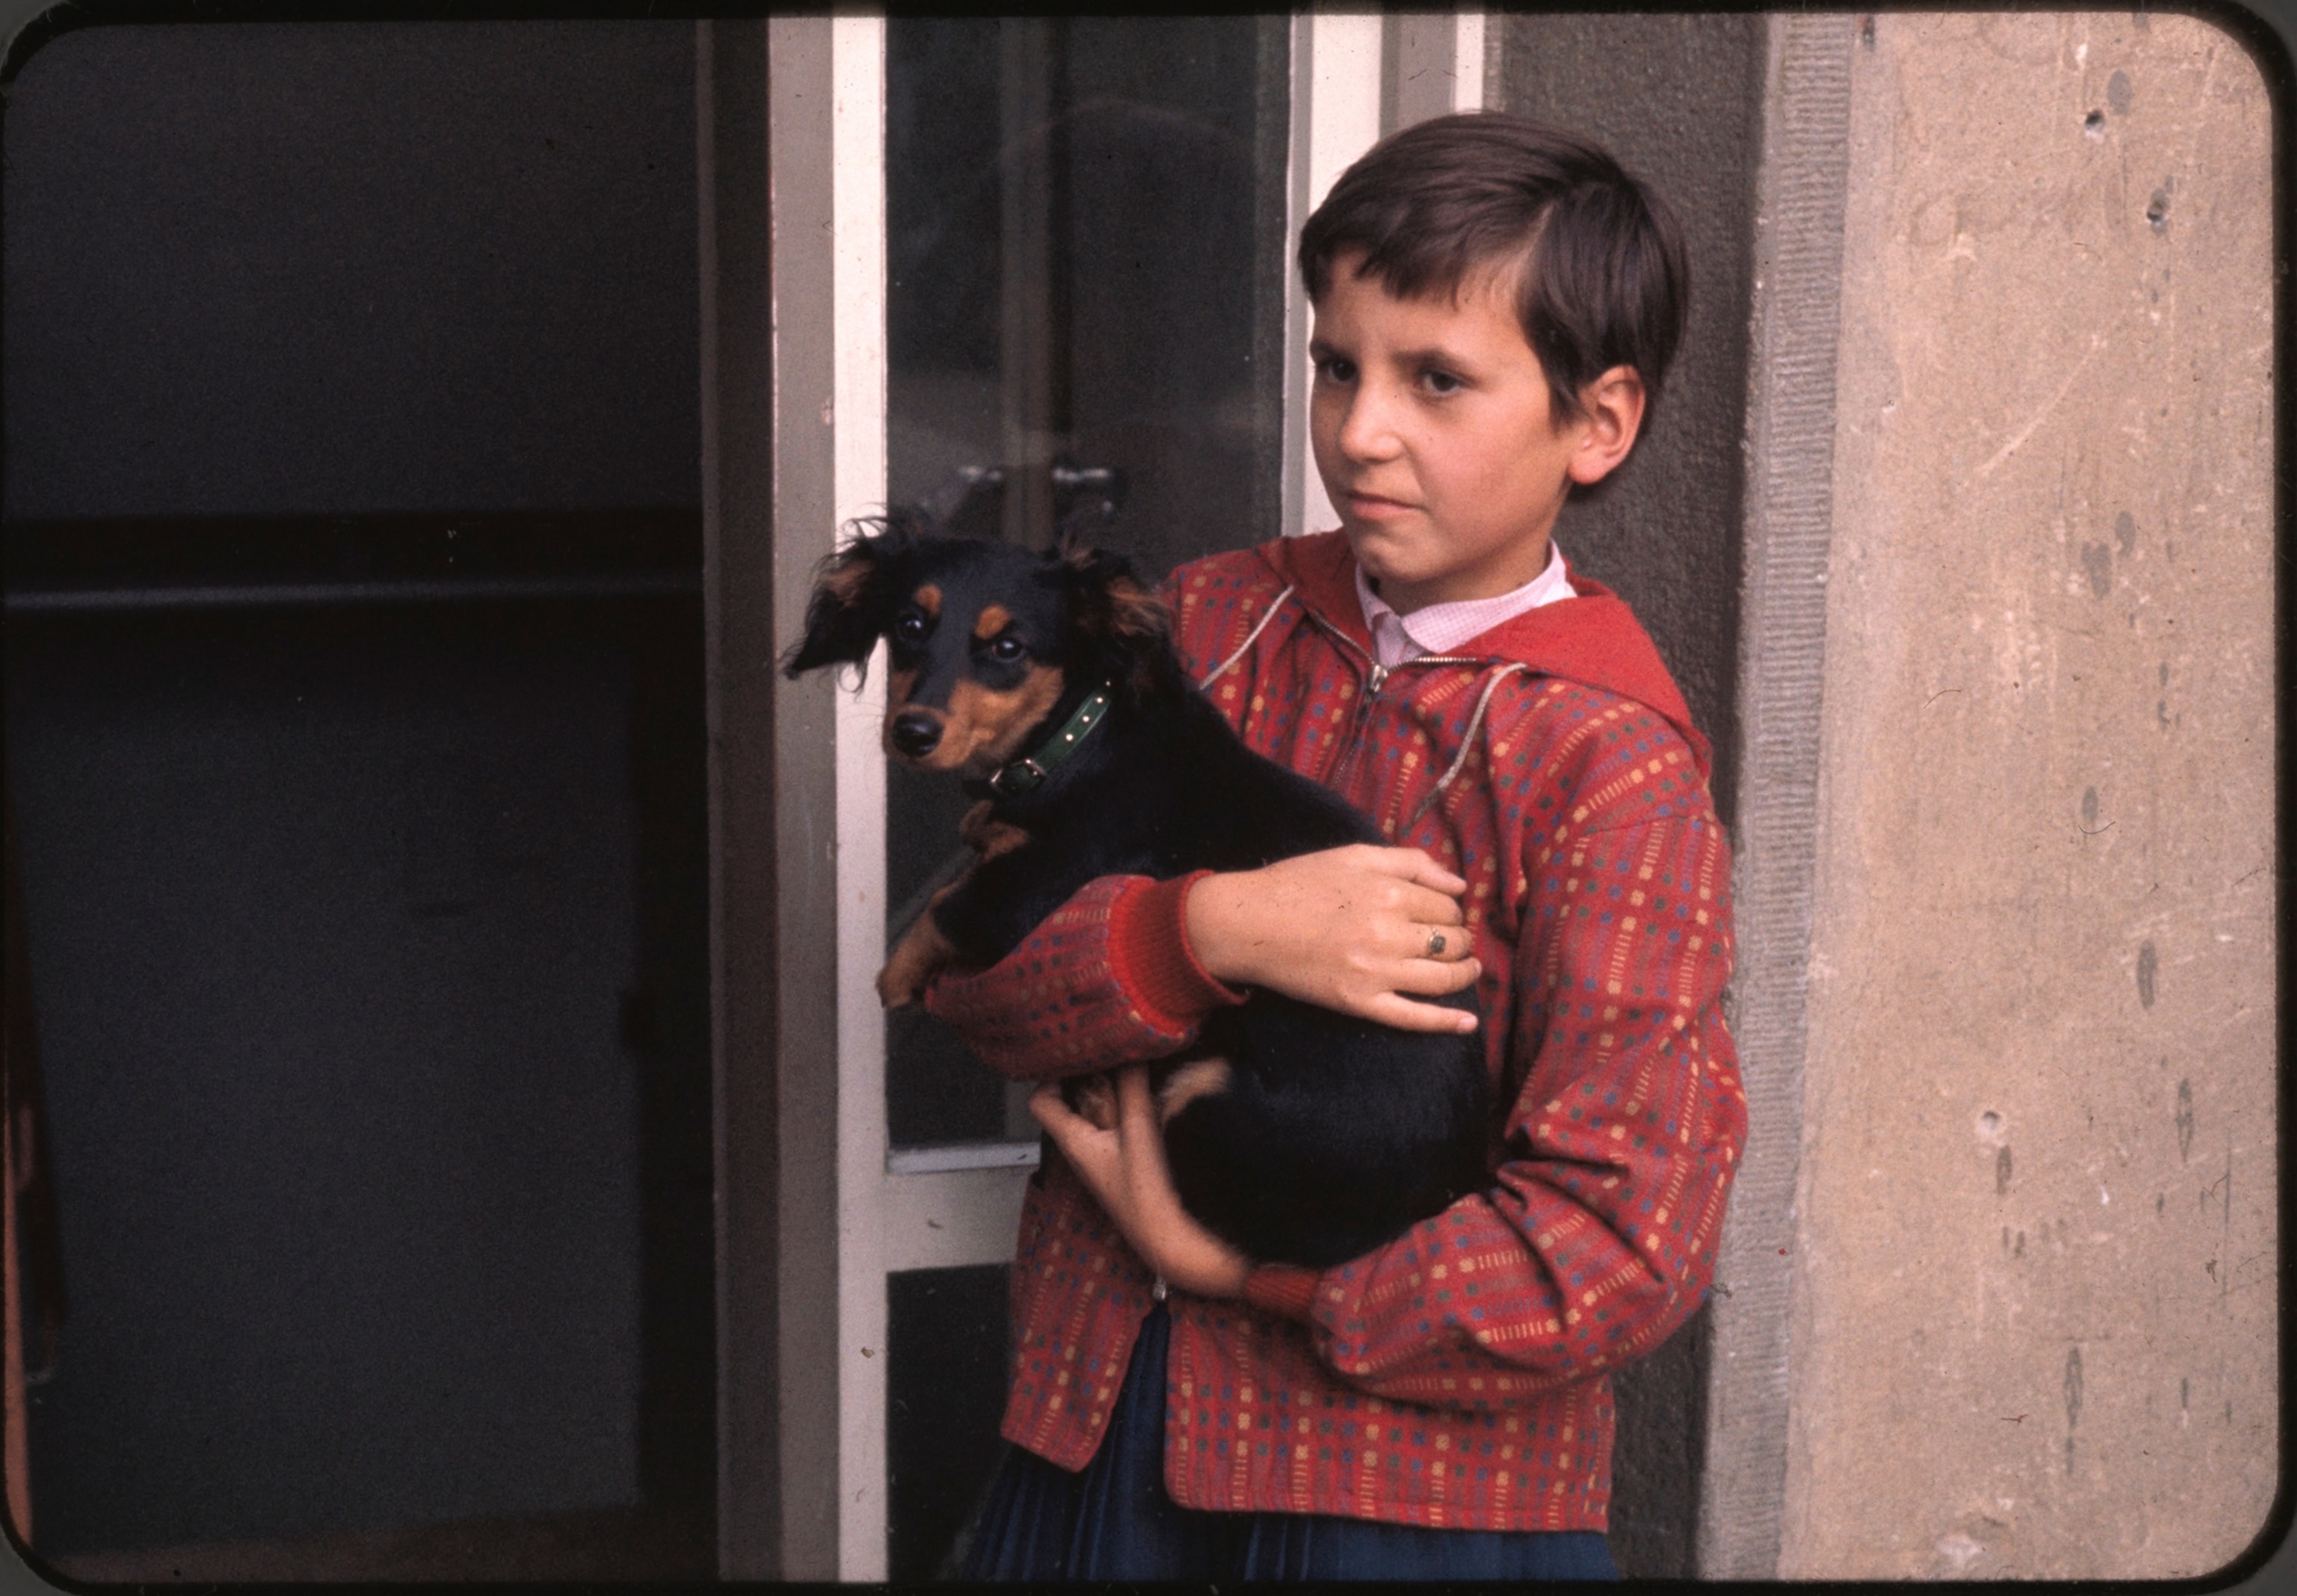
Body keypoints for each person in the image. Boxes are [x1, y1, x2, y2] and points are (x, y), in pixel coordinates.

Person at [931, 111, 1748, 1583]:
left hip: (1404, 1512)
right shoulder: (1206, 627)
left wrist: (1246, 1278)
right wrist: (1209, 934)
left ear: (1598, 422)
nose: (1361, 430)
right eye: (1337, 365)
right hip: (1096, 1440)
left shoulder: (1607, 759)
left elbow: (1623, 1241)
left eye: (1438, 380)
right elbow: (970, 977)